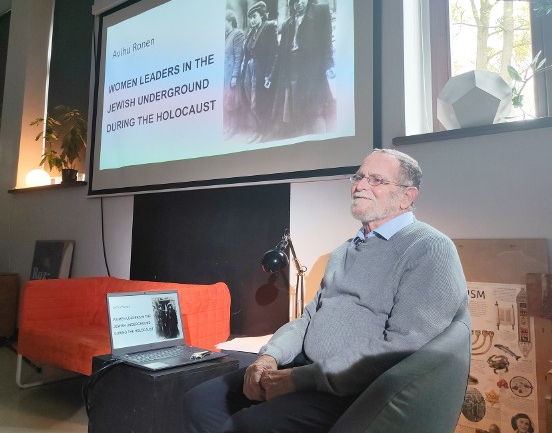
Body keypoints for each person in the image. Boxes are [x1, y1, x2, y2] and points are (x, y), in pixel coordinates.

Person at [183, 148, 469, 432]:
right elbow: (308, 318)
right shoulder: (345, 251)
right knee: (200, 401)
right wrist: (269, 356)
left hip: (352, 390)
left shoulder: (429, 248)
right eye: (358, 177)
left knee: (250, 425)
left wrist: (301, 379)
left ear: (408, 196)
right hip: (304, 370)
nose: (360, 185)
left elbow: (401, 345)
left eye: (376, 180)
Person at [270, 0, 336, 140]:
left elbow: (326, 41)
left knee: (315, 109)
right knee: (295, 108)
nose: (299, 3)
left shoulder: (320, 12)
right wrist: (272, 76)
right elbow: (281, 53)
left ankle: (322, 142)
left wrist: (328, 64)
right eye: (296, 0)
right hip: (292, 71)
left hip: (312, 69)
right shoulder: (287, 24)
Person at [240, 1, 278, 142]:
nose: (252, 20)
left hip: (261, 71)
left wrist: (269, 75)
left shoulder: (269, 27)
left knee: (259, 103)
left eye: (254, 16)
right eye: (250, 18)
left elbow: (274, 53)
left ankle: (267, 132)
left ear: (261, 15)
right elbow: (247, 54)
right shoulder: (250, 33)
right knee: (251, 102)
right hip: (250, 72)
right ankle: (259, 130)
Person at [223, 10, 245, 139]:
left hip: (232, 75)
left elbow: (239, 57)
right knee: (226, 101)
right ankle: (228, 126)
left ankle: (234, 128)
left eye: (224, 22)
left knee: (233, 101)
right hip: (224, 75)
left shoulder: (238, 34)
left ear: (230, 21)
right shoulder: (225, 36)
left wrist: (235, 76)